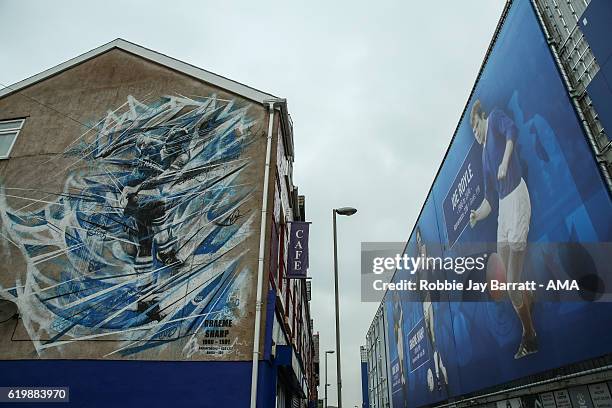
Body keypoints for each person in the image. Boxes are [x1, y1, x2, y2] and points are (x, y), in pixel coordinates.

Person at [468, 99, 537, 359]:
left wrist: (506, 162)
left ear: (483, 118)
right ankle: (528, 299)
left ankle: (530, 337)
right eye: (472, 131)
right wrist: (477, 213)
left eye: (476, 126)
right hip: (503, 213)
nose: (475, 134)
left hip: (517, 198)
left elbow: (513, 132)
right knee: (506, 279)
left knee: (511, 284)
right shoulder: (483, 157)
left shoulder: (495, 117)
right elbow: (489, 199)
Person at [415, 227, 448, 392]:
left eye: (420, 239)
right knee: (433, 342)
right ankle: (439, 374)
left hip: (430, 301)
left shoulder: (425, 257)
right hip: (425, 303)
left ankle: (440, 375)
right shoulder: (419, 264)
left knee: (435, 340)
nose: (420, 242)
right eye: (418, 240)